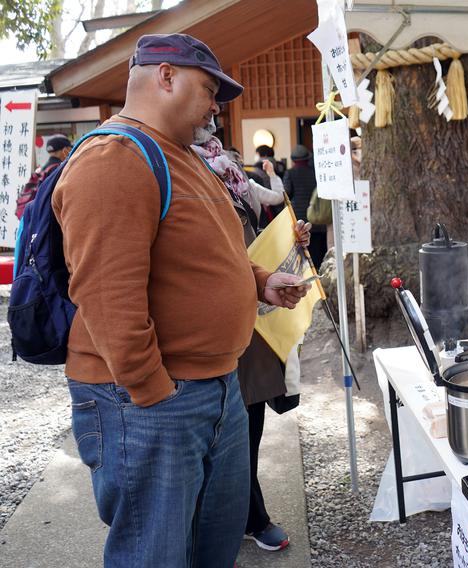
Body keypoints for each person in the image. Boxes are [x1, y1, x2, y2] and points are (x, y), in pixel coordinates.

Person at [52, 33, 311, 568]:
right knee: (156, 554)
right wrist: (152, 389)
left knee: (211, 549)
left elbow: (209, 250)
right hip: (153, 402)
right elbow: (107, 295)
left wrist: (259, 281)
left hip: (215, 390)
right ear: (165, 76)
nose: (217, 104)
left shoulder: (187, 157)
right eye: (209, 88)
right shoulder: (115, 157)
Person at [193, 127, 307, 552]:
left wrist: (292, 243)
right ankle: (247, 519)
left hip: (251, 328)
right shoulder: (181, 177)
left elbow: (259, 246)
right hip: (207, 331)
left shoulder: (236, 183)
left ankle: (241, 518)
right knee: (218, 439)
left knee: (248, 428)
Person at [284, 144, 327, 269]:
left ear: (293, 160)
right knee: (318, 255)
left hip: (299, 221)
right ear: (308, 158)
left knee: (303, 255)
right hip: (317, 218)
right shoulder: (316, 172)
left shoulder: (290, 173)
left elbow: (286, 194)